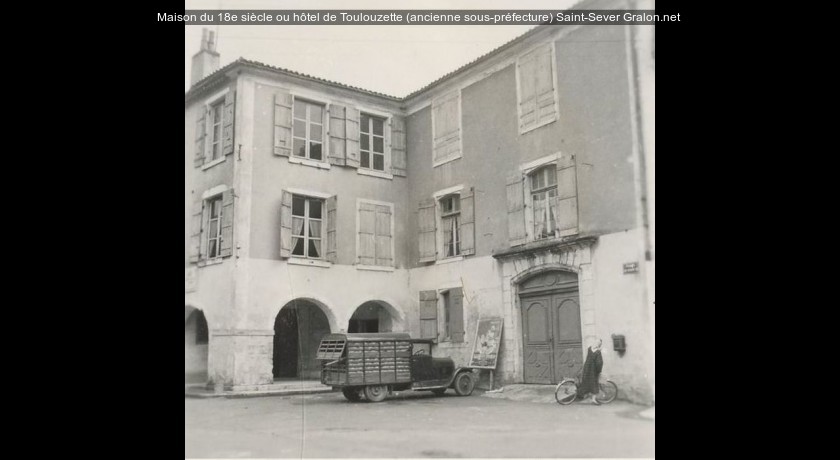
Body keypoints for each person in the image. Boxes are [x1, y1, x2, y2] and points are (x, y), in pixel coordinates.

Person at [578, 338, 604, 405]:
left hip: (587, 368)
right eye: (598, 343)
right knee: (594, 383)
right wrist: (599, 370)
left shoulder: (589, 349)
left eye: (598, 343)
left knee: (586, 381)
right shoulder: (598, 352)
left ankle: (581, 394)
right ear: (599, 345)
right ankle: (593, 399)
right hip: (593, 370)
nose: (597, 344)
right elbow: (599, 363)